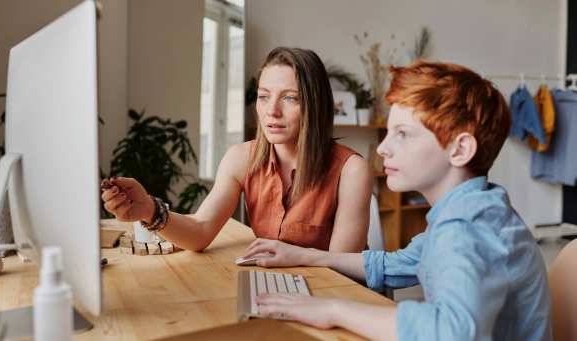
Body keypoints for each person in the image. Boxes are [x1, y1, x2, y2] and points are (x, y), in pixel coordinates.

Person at [243, 61, 551, 341]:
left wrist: (333, 310)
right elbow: (396, 264)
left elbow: (451, 331)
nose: (383, 149)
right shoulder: (474, 209)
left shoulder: (467, 228)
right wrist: (304, 255)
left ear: (459, 150)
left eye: (402, 134)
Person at [101, 46, 373, 252]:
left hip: (329, 299)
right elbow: (200, 231)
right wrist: (149, 209)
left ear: (316, 105)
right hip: (273, 289)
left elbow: (342, 270)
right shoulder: (241, 158)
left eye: (290, 98)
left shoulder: (352, 170)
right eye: (264, 96)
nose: (272, 111)